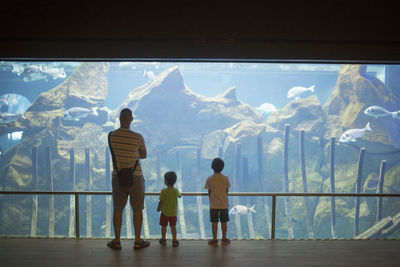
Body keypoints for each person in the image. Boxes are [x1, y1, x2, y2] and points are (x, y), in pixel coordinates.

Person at [107, 108, 150, 250]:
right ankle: (138, 241)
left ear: (119, 119)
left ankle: (117, 241)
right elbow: (143, 155)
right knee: (137, 209)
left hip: (118, 177)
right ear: (131, 120)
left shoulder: (112, 136)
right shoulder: (138, 137)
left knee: (118, 209)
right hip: (136, 177)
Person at [204, 157, 231, 246]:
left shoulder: (209, 178)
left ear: (212, 167)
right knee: (224, 222)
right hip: (223, 204)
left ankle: (215, 239)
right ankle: (224, 238)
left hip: (214, 204)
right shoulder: (226, 178)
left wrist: (211, 199)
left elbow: (209, 191)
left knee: (214, 222)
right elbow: (227, 190)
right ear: (222, 167)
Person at [157, 171, 182, 247]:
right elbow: (180, 196)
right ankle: (174, 240)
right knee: (173, 227)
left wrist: (158, 208)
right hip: (173, 213)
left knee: (164, 226)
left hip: (164, 213)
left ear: (166, 181)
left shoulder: (164, 191)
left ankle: (163, 240)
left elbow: (161, 201)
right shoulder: (176, 190)